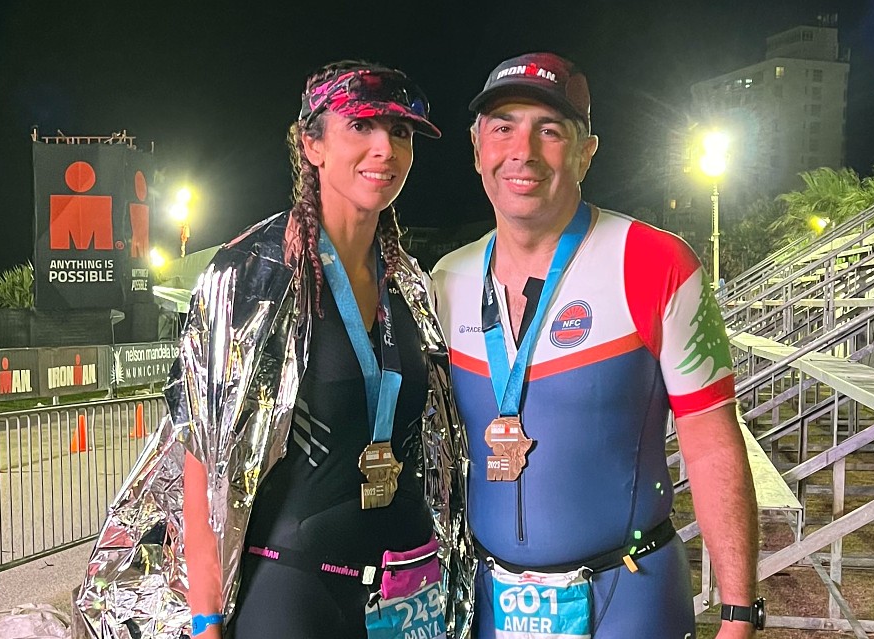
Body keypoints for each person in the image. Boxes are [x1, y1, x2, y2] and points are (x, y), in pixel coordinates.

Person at [74, 61, 474, 639]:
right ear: (311, 144)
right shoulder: (252, 277)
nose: (385, 148)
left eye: (402, 132)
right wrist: (206, 617)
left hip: (408, 597)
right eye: (361, 126)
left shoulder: (410, 283)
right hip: (296, 593)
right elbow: (202, 459)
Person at [431, 52, 761, 638]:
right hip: (486, 599)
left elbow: (711, 440)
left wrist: (738, 612)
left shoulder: (657, 262)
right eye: (503, 127)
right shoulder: (446, 279)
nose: (523, 151)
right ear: (477, 146)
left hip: (628, 597)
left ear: (587, 152)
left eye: (550, 130)